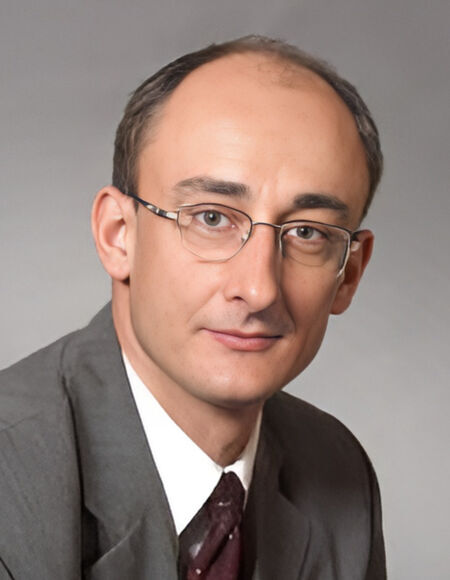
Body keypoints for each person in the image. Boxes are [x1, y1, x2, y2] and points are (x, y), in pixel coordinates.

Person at [0, 36, 386, 579]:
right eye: (212, 218)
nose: (259, 289)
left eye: (307, 232)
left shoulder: (338, 470)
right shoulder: (11, 478)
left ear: (349, 273)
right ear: (118, 235)